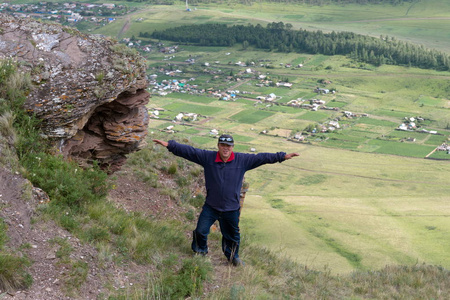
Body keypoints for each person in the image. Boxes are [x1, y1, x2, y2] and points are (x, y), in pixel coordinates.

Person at [153, 134, 299, 266]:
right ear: (218, 146)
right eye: (223, 145)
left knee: (232, 236)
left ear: (232, 147)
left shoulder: (242, 160)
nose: (225, 148)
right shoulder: (208, 158)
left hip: (231, 209)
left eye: (228, 146)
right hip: (211, 206)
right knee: (200, 231)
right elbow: (190, 151)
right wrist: (170, 145)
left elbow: (261, 158)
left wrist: (282, 157)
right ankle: (200, 252)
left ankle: (232, 257)